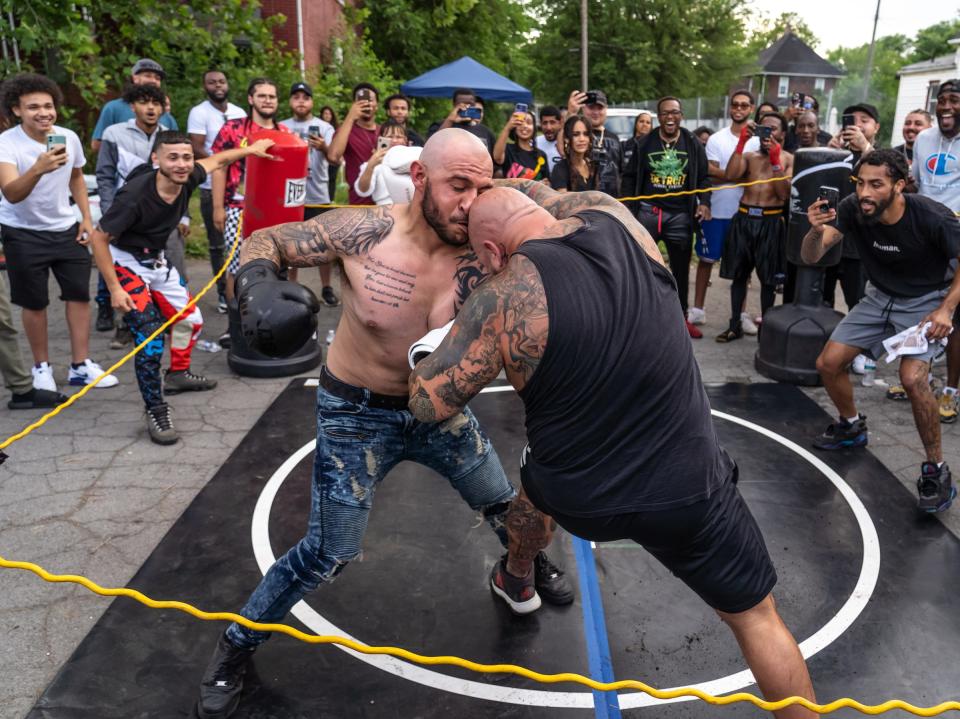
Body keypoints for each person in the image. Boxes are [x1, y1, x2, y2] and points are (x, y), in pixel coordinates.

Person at [194, 129, 572, 719]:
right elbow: (266, 239)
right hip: (356, 413)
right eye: (457, 186)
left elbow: (578, 213)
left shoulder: (490, 241)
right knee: (327, 551)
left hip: (441, 411)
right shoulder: (365, 232)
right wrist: (258, 286)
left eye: (483, 185)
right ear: (419, 178)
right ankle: (233, 647)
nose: (471, 202)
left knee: (507, 508)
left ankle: (519, 568)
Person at [407, 183, 818, 719]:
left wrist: (435, 339)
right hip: (689, 491)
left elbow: (426, 404)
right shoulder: (624, 226)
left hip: (580, 495)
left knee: (534, 482)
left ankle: (518, 572)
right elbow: (564, 198)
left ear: (490, 253)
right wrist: (504, 190)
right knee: (758, 618)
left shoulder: (502, 294)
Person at [91, 134, 274, 443]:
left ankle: (177, 373)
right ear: (156, 161)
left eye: (186, 158)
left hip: (157, 261)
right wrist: (114, 289)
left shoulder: (189, 176)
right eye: (172, 158)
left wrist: (252, 150)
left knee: (191, 321)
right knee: (150, 339)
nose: (181, 164)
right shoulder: (135, 196)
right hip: (126, 262)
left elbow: (218, 160)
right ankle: (155, 408)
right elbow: (99, 239)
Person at [804, 150, 958, 512]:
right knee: (828, 363)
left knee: (912, 378)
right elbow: (812, 255)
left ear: (899, 185)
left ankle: (936, 468)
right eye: (861, 183)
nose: (865, 193)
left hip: (925, 302)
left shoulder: (932, 216)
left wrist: (946, 310)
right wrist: (813, 230)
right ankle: (852, 426)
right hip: (878, 299)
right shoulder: (853, 207)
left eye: (876, 184)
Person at [0, 73, 117, 392]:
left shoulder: (67, 136)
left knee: (79, 295)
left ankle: (80, 365)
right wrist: (38, 169)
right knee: (34, 303)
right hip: (22, 232)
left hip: (66, 228)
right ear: (17, 110)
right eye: (33, 106)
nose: (43, 113)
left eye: (48, 106)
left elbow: (77, 178)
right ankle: (42, 368)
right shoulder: (6, 144)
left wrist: (85, 219)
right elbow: (11, 192)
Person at [96, 83, 188, 336]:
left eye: (156, 103)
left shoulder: (169, 135)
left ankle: (170, 324)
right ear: (132, 106)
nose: (150, 108)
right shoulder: (114, 133)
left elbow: (184, 176)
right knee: (122, 272)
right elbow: (104, 176)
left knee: (174, 266)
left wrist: (185, 215)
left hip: (163, 217)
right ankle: (125, 325)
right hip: (125, 217)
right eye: (144, 102)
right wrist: (108, 211)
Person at [210, 77, 289, 347]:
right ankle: (235, 326)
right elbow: (219, 166)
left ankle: (273, 323)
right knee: (238, 267)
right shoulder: (233, 129)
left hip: (274, 212)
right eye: (262, 95)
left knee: (278, 266)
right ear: (251, 99)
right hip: (238, 208)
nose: (268, 100)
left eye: (272, 96)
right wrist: (217, 208)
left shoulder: (285, 132)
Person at [622, 96, 711, 336]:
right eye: (664, 113)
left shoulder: (692, 143)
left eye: (675, 112)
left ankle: (681, 319)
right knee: (642, 267)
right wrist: (628, 210)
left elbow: (704, 177)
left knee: (681, 270)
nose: (670, 117)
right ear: (658, 116)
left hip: (679, 215)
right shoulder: (644, 143)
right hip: (648, 213)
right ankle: (640, 319)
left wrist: (704, 203)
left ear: (681, 115)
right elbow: (629, 177)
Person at [716, 113, 793, 342]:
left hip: (770, 221)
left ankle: (765, 330)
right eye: (764, 127)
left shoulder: (788, 158)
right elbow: (730, 175)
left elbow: (784, 194)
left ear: (782, 134)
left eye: (773, 128)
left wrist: (776, 160)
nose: (767, 132)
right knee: (738, 277)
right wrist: (740, 142)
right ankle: (734, 325)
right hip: (744, 218)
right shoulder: (749, 156)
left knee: (769, 281)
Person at [690, 89, 759, 330]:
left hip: (744, 212)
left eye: (744, 105)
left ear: (751, 108)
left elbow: (755, 174)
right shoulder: (717, 139)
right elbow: (711, 174)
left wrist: (728, 174)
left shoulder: (758, 140)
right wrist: (739, 174)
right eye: (735, 105)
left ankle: (740, 314)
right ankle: (697, 309)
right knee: (706, 260)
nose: (739, 109)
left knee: (743, 266)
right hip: (717, 210)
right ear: (730, 108)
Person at [913, 80, 960, 424]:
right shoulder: (924, 139)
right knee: (920, 307)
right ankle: (919, 375)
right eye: (942, 100)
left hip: (958, 234)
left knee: (955, 318)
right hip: (925, 235)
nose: (946, 106)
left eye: (954, 100)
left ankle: (951, 390)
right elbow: (917, 181)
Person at [188, 69, 247, 313]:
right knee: (217, 244)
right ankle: (224, 293)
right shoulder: (199, 112)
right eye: (212, 82)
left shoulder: (240, 112)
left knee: (241, 244)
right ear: (205, 86)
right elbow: (196, 146)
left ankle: (243, 290)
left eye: (222, 81)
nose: (218, 85)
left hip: (239, 189)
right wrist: (224, 159)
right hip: (210, 186)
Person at [279, 81, 339, 307]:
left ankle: (326, 287)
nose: (301, 101)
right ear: (290, 101)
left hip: (319, 192)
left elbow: (336, 157)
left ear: (312, 102)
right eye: (296, 97)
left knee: (323, 244)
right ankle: (291, 287)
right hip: (290, 195)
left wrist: (323, 146)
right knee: (290, 244)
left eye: (305, 97)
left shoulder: (324, 127)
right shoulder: (281, 126)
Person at [823, 103, 882, 316]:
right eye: (852, 120)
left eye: (864, 121)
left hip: (860, 247)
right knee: (822, 302)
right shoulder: (835, 153)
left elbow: (885, 174)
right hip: (830, 239)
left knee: (859, 305)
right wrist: (828, 154)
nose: (857, 126)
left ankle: (860, 349)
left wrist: (865, 147)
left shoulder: (882, 155)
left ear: (876, 127)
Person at [90, 58, 178, 152]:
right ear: (135, 78)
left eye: (157, 78)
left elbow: (176, 148)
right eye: (148, 76)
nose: (153, 80)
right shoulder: (113, 108)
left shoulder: (167, 117)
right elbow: (96, 145)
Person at [327, 83, 380, 207]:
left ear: (377, 105)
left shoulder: (384, 131)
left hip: (385, 202)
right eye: (361, 100)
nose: (366, 103)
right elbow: (333, 157)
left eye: (370, 100)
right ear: (354, 104)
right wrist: (351, 117)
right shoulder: (347, 131)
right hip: (359, 203)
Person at [565, 89, 621, 196]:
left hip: (613, 201)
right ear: (584, 108)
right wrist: (571, 113)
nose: (595, 112)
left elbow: (621, 172)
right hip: (585, 200)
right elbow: (562, 147)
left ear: (606, 109)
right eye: (591, 108)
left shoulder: (615, 138)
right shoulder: (576, 136)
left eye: (599, 108)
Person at [353, 120, 420, 205]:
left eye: (399, 137)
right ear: (381, 139)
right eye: (390, 137)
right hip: (384, 210)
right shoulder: (373, 164)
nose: (394, 140)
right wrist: (371, 165)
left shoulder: (414, 158)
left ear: (405, 140)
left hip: (411, 208)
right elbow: (362, 191)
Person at [427, 87, 497, 154]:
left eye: (470, 104)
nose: (466, 107)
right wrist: (450, 120)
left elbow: (496, 159)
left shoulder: (485, 131)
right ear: (454, 105)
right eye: (462, 104)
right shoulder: (440, 125)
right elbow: (429, 148)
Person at [493, 107, 548, 181]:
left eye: (529, 122)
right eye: (520, 123)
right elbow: (497, 158)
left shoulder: (541, 155)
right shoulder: (507, 149)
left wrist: (546, 182)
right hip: (511, 192)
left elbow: (547, 180)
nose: (524, 126)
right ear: (514, 128)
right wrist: (508, 127)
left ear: (534, 128)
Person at [549, 115, 598, 192]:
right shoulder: (560, 169)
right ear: (567, 139)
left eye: (585, 134)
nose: (582, 139)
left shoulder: (593, 166)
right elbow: (563, 201)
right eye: (576, 134)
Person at [535, 105, 562, 173]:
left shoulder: (568, 144)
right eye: (545, 123)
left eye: (552, 122)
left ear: (560, 123)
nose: (548, 127)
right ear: (540, 124)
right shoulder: (534, 143)